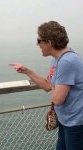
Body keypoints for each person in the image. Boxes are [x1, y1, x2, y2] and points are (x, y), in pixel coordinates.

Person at [10, 21, 83, 150]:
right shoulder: (56, 59)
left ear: (49, 42)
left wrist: (54, 85)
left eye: (39, 41)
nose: (38, 45)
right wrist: (27, 71)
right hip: (66, 120)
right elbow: (47, 86)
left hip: (76, 123)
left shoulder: (67, 61)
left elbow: (58, 99)